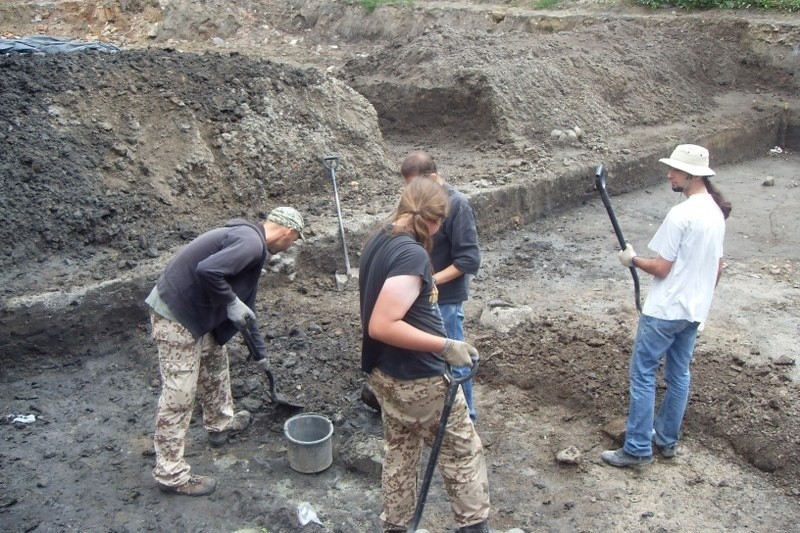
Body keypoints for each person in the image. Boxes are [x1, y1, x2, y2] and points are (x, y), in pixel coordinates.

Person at [359, 178, 491, 533]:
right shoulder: (411, 254)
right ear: (437, 221)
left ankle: (397, 526)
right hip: (421, 378)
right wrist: (446, 345)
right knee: (461, 452)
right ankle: (475, 527)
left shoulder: (378, 239)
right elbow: (383, 324)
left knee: (400, 450)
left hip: (385, 373)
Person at [145, 207, 306, 496]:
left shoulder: (251, 246)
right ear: (288, 232)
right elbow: (207, 271)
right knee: (180, 394)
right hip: (176, 314)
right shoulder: (251, 243)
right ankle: (170, 474)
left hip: (196, 315)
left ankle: (220, 423)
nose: (290, 246)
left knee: (215, 361)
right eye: (294, 241)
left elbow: (248, 310)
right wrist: (230, 301)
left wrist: (261, 354)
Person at [601, 144, 730, 467]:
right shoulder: (714, 212)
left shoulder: (682, 214)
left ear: (691, 175)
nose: (669, 174)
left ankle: (637, 449)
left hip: (665, 311)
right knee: (679, 375)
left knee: (643, 375)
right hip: (692, 312)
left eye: (674, 170)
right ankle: (666, 440)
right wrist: (701, 299)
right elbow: (719, 267)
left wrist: (632, 259)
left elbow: (661, 268)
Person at [400, 150, 482, 422]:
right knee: (429, 356)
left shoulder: (457, 205)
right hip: (422, 295)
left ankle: (466, 416)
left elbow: (469, 259)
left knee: (454, 358)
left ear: (433, 177)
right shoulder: (419, 201)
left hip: (445, 298)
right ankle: (438, 412)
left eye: (416, 185)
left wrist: (431, 281)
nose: (411, 192)